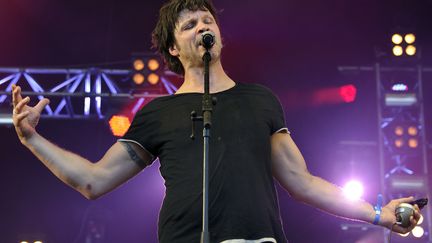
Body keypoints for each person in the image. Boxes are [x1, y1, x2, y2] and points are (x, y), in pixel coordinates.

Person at [11, 0, 422, 242]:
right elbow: (93, 181)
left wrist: (377, 212)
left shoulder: (260, 99)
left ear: (220, 35)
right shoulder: (156, 112)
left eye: (207, 20)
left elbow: (302, 182)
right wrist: (32, 139)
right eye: (189, 24)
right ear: (174, 46)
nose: (202, 26)